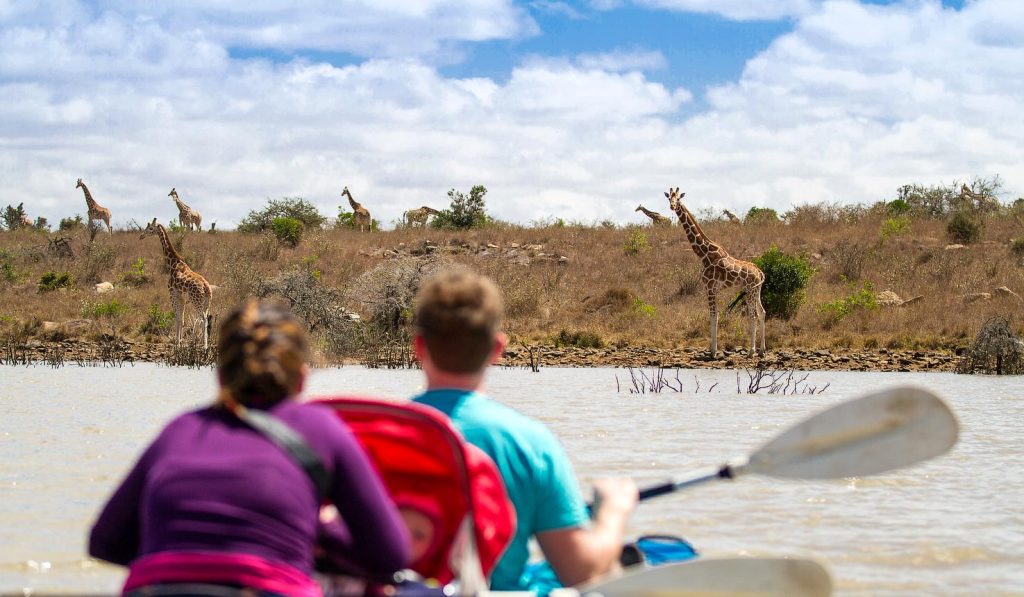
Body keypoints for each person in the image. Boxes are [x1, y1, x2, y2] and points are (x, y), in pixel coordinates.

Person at [89, 300, 410, 596]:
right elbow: (390, 556)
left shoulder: (179, 430)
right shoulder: (322, 428)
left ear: (220, 378)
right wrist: (321, 529)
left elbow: (105, 542)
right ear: (301, 378)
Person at [410, 269, 638, 592]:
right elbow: (581, 572)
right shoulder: (531, 444)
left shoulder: (376, 435)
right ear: (497, 349)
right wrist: (613, 510)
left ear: (419, 347)